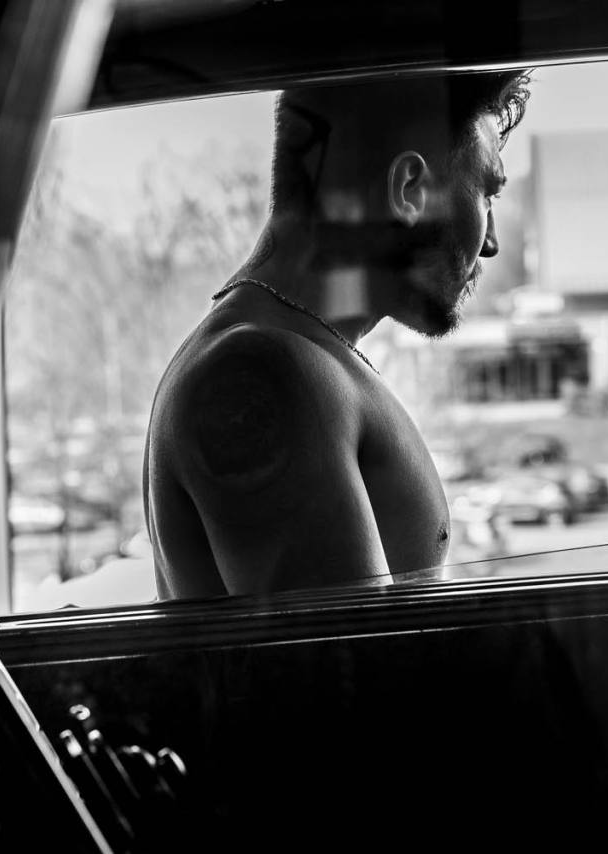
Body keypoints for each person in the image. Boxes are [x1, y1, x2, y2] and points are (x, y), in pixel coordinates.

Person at [143, 71, 531, 599]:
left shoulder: (297, 354)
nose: (491, 243)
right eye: (487, 193)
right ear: (410, 190)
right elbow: (352, 655)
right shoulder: (265, 372)